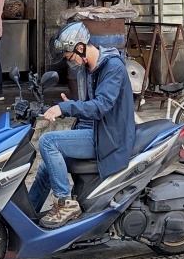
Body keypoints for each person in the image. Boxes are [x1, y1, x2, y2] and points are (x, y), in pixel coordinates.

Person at [29, 22, 136, 229]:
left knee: (48, 141)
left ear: (80, 48)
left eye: (69, 57)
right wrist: (70, 105)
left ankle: (65, 202)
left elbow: (101, 106)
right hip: (93, 131)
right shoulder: (87, 70)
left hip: (109, 137)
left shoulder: (112, 67)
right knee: (45, 168)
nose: (70, 63)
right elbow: (87, 107)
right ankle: (28, 219)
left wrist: (66, 109)